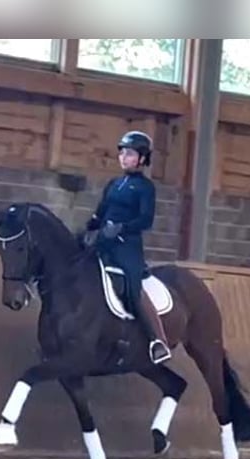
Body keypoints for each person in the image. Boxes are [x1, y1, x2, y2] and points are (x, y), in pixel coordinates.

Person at [85, 130, 172, 365]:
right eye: (122, 153)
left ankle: (156, 340)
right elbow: (101, 211)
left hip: (127, 247)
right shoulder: (114, 184)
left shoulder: (145, 188)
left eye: (130, 154)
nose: (124, 157)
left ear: (142, 159)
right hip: (104, 240)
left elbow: (146, 220)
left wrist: (121, 228)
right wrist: (90, 226)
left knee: (132, 289)